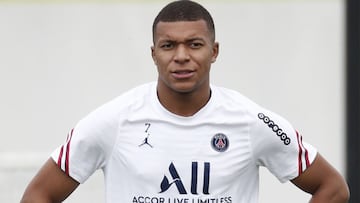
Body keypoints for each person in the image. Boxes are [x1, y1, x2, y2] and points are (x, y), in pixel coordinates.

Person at [21, 0, 350, 202]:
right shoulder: (114, 120)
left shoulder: (251, 121)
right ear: (153, 54)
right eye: (168, 46)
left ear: (214, 51)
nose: (181, 57)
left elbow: (332, 188)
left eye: (194, 44)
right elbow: (38, 195)